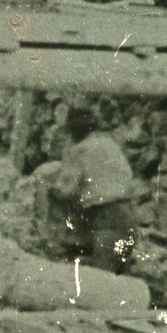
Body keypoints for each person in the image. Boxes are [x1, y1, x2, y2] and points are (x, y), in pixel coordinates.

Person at [52, 105, 139, 271]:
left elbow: (66, 190)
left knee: (103, 274)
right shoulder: (109, 143)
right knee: (119, 275)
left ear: (72, 130)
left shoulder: (79, 150)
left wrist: (51, 190)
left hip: (107, 217)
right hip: (128, 214)